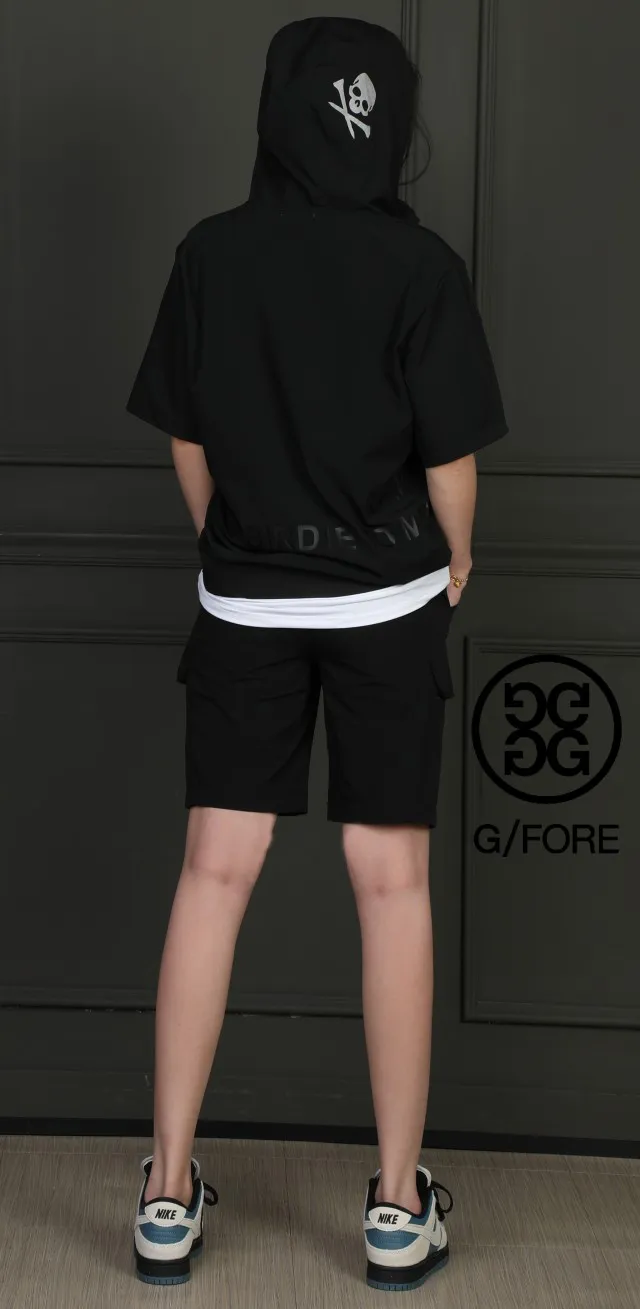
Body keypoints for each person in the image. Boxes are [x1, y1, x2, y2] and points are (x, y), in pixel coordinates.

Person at [125, 14, 508, 1293]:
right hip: (388, 599)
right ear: (388, 127)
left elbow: (186, 437)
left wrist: (230, 540)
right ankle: (397, 1207)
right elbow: (449, 460)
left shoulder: (211, 253)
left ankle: (167, 1193)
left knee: (212, 873)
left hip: (246, 601)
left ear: (273, 114)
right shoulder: (421, 265)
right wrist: (456, 557)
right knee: (390, 887)